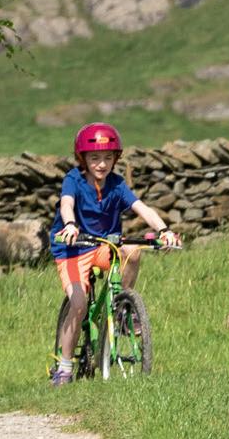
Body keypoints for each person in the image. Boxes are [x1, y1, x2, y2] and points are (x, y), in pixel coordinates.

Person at [47, 122, 179, 384]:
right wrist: (70, 225)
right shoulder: (73, 179)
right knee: (79, 304)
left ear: (116, 158)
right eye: (95, 158)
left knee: (132, 251)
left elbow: (142, 208)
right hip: (73, 249)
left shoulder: (117, 185)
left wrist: (164, 230)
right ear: (83, 158)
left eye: (108, 158)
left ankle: (121, 308)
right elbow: (67, 204)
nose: (102, 164)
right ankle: (64, 367)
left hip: (102, 246)